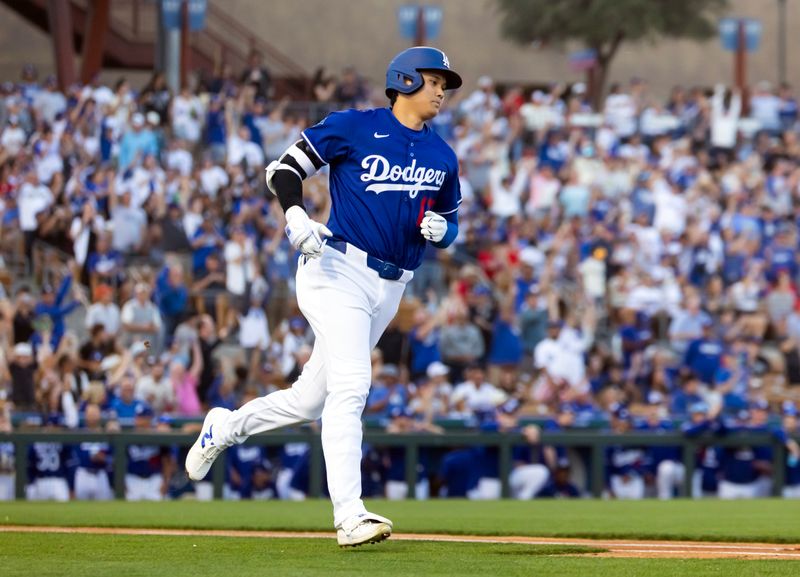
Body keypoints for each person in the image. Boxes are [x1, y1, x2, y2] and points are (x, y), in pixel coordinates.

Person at [186, 46, 462, 547]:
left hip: (391, 286)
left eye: (445, 82)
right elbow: (284, 170)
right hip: (336, 269)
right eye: (433, 79)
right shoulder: (354, 126)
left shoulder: (442, 154)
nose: (442, 89)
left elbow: (451, 223)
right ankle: (349, 515)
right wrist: (294, 215)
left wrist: (444, 231)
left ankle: (223, 429)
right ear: (403, 80)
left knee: (308, 400)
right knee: (353, 385)